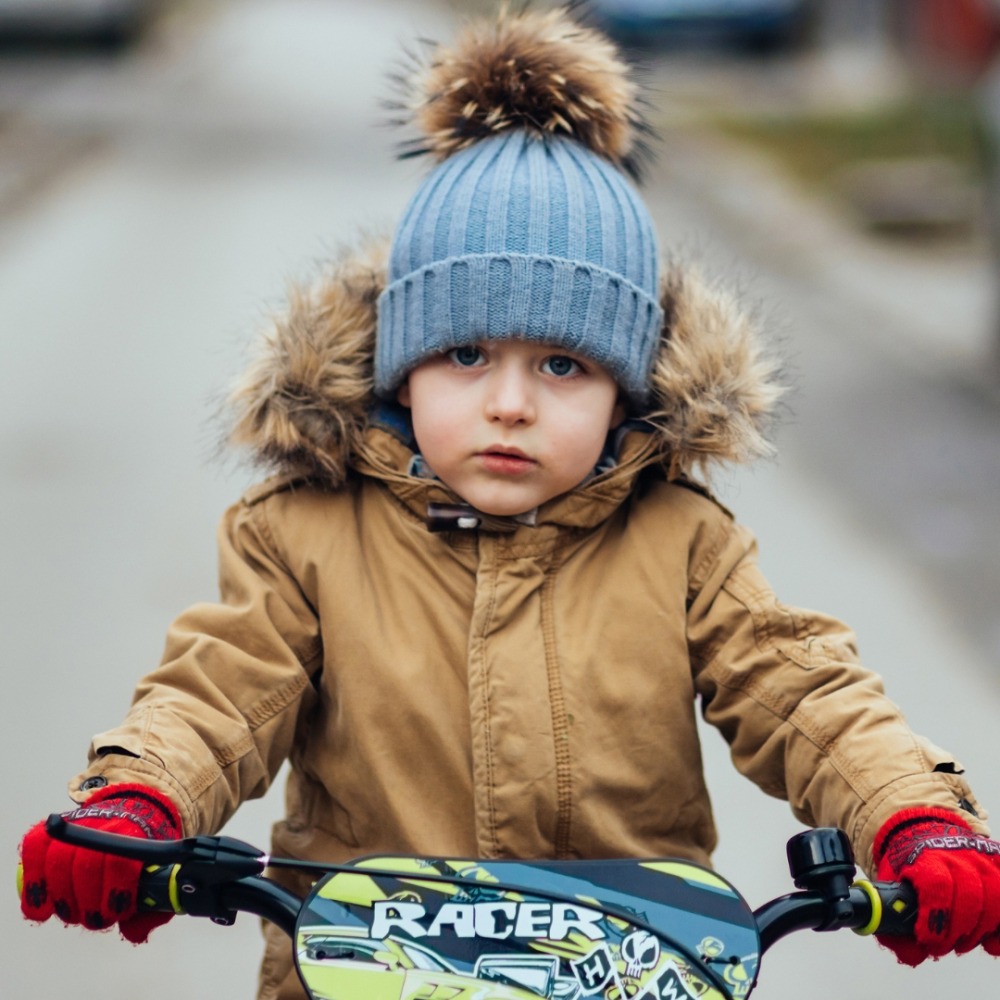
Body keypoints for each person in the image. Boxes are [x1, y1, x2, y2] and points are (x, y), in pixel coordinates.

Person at [18, 7, 1000, 999]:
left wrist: (913, 818)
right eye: (464, 353)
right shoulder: (301, 535)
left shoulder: (683, 544)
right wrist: (139, 804)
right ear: (402, 370)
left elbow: (803, 694)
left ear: (628, 386)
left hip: (631, 973)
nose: (510, 402)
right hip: (361, 975)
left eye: (564, 364)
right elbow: (218, 693)